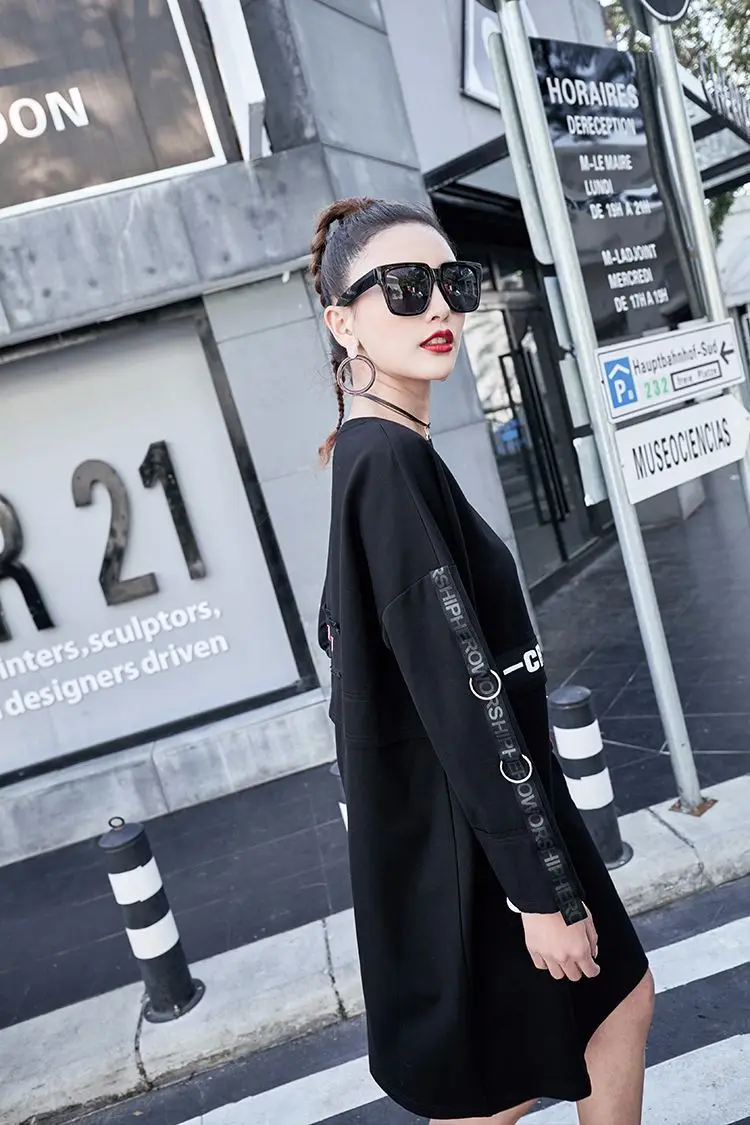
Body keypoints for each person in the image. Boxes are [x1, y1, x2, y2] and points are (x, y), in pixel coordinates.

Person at [312, 196, 654, 1125]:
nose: (438, 307)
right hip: (479, 835)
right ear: (343, 322)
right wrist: (538, 889)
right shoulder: (385, 462)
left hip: (488, 818)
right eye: (403, 287)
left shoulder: (383, 453)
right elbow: (463, 691)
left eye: (452, 284)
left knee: (606, 1015)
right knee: (509, 1079)